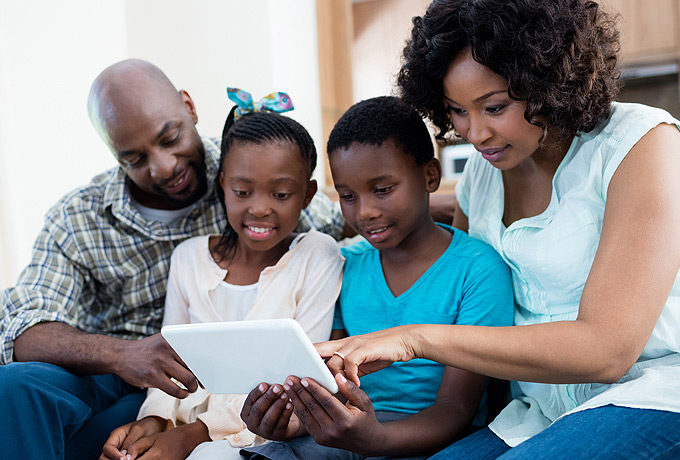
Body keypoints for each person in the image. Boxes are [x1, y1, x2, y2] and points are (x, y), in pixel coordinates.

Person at [315, 1, 680, 459]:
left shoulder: (641, 144)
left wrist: (414, 338)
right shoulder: (483, 175)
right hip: (538, 410)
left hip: (653, 394)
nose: (476, 133)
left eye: (494, 106)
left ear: (548, 82)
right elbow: (453, 262)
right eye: (457, 111)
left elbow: (608, 350)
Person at [0, 60, 346, 460]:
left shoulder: (246, 166)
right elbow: (21, 327)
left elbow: (353, 216)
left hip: (183, 391)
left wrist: (426, 207)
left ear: (189, 107)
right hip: (111, 369)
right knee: (13, 387)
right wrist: (122, 356)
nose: (164, 167)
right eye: (134, 158)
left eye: (170, 138)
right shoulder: (78, 217)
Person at [239, 96, 514, 460]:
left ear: (430, 176)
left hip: (427, 438)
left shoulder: (478, 270)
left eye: (382, 190)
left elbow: (456, 410)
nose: (365, 212)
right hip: (345, 432)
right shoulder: (345, 264)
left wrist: (376, 439)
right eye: (348, 196)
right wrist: (296, 422)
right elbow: (330, 384)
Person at [100, 89, 345, 460]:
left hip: (257, 435)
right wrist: (152, 423)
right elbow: (169, 365)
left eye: (280, 194)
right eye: (243, 191)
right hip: (179, 428)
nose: (259, 209)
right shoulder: (188, 259)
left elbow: (296, 383)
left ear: (308, 196)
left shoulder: (318, 255)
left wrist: (192, 438)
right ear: (223, 186)